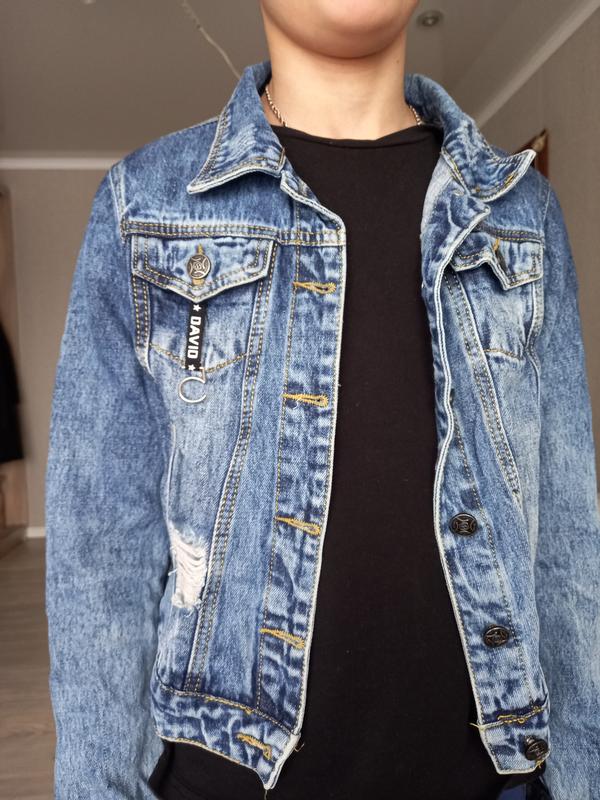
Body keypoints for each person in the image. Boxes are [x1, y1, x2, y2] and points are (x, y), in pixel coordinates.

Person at [44, 2, 599, 799]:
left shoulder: (521, 214)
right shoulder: (147, 206)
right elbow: (101, 556)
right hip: (225, 777)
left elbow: (568, 544)